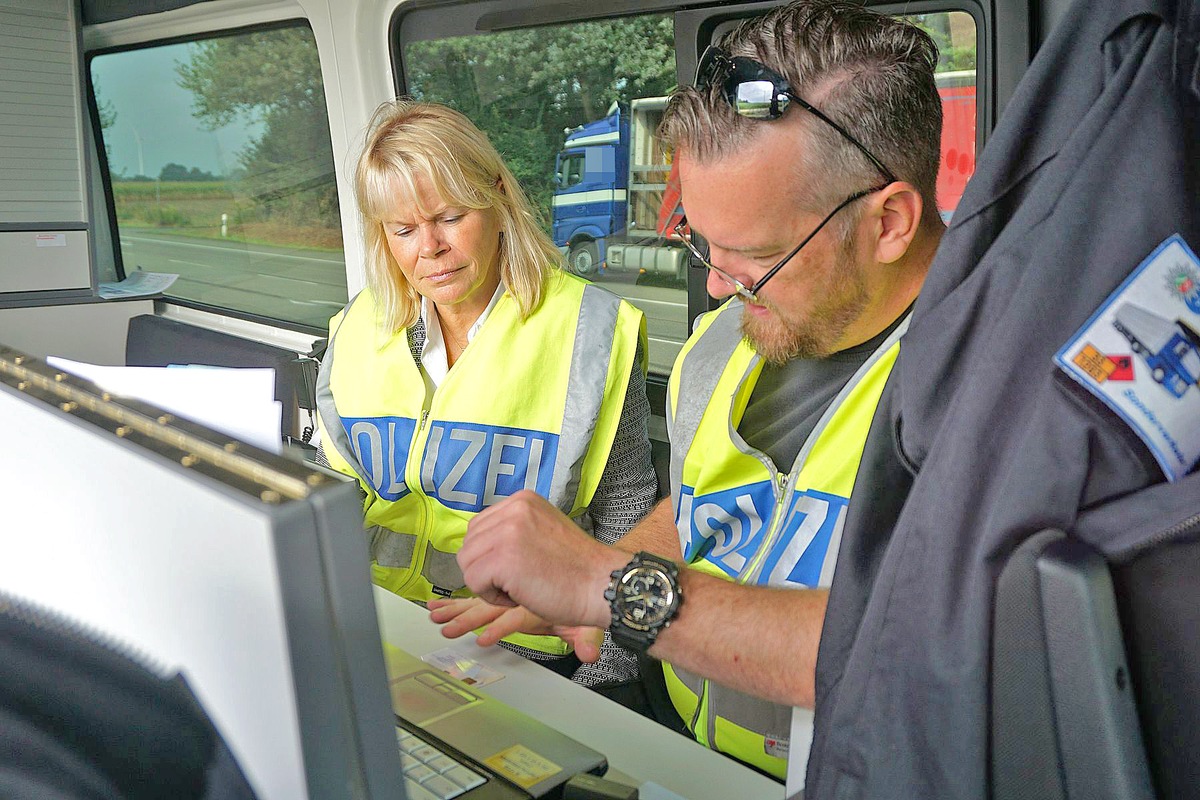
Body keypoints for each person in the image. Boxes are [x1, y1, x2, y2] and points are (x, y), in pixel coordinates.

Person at [429, 0, 945, 785]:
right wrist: (587, 588)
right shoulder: (722, 347)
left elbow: (911, 647)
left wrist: (609, 586)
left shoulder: (998, 389)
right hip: (677, 748)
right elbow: (703, 508)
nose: (714, 282)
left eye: (753, 254)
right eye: (699, 240)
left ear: (890, 222)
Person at [314, 100, 658, 688]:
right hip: (373, 626)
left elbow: (627, 518)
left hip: (522, 651)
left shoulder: (588, 332)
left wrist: (603, 685)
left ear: (496, 197)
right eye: (402, 230)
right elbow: (328, 498)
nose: (429, 248)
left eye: (448, 216)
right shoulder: (357, 329)